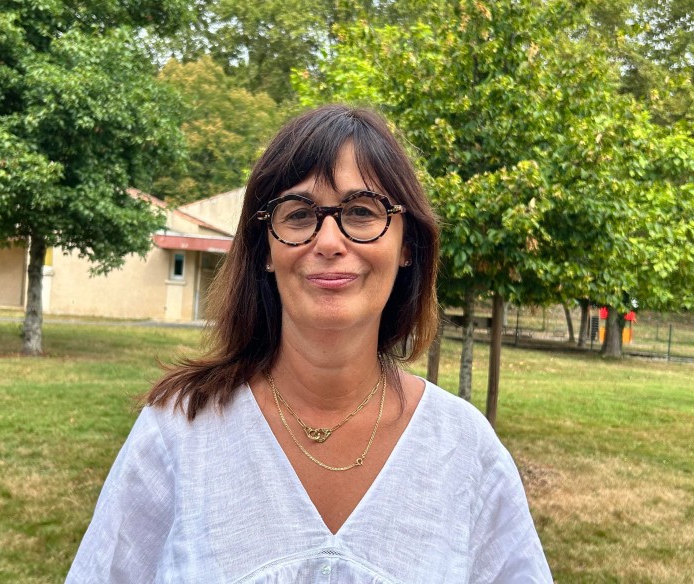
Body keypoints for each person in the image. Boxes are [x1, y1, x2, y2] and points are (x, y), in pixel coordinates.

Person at [66, 105, 552, 583]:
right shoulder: (178, 432)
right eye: (299, 214)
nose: (329, 241)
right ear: (266, 249)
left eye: (361, 211)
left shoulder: (465, 452)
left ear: (407, 246)